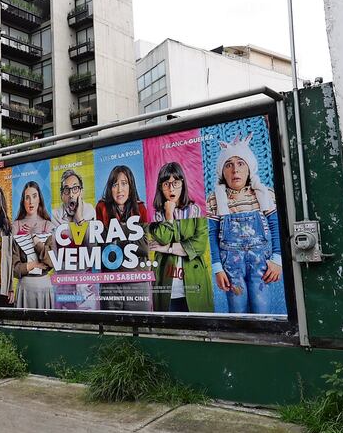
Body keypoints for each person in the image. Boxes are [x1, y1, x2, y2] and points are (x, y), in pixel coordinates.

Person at [205, 134, 283, 314]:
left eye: (240, 163)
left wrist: (277, 259)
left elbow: (275, 226)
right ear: (222, 172)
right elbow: (212, 234)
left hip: (262, 265)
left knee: (261, 308)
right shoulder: (214, 199)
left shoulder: (264, 194)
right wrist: (217, 268)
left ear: (249, 168)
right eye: (228, 165)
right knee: (237, 309)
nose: (235, 170)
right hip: (231, 267)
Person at [146, 162, 213, 313]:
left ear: (183, 184)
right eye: (166, 184)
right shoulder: (157, 215)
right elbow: (163, 238)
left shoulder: (195, 210)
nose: (171, 189)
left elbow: (199, 245)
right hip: (166, 285)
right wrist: (169, 214)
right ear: (160, 187)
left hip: (194, 283)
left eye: (175, 183)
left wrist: (167, 248)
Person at [94, 165, 153, 311]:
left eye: (124, 183)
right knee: (110, 323)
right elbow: (104, 249)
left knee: (140, 322)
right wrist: (130, 233)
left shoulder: (141, 208)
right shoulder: (101, 208)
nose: (120, 189)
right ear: (110, 188)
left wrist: (116, 232)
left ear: (131, 186)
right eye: (115, 184)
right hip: (111, 282)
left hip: (137, 280)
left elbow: (144, 248)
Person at [49, 169, 98, 309]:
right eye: (66, 190)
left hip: (85, 284)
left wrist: (80, 219)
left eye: (75, 189)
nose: (71, 194)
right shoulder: (55, 215)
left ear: (81, 192)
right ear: (61, 195)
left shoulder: (89, 211)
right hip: (63, 283)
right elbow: (55, 255)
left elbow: (93, 250)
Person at [12, 181, 54, 309]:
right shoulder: (15, 226)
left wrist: (34, 237)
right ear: (23, 201)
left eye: (34, 196)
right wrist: (34, 264)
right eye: (27, 197)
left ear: (39, 199)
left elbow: (51, 262)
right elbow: (15, 269)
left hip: (44, 287)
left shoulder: (48, 225)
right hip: (24, 288)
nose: (31, 202)